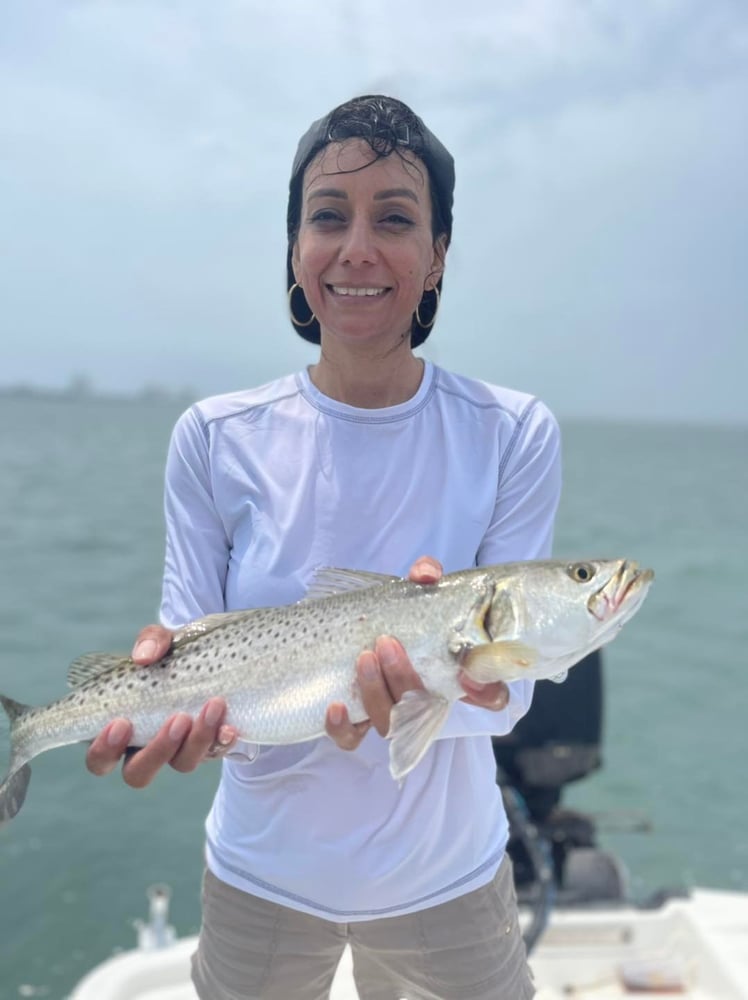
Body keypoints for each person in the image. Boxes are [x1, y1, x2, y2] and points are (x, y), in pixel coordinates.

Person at [86, 95, 561, 1000]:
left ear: (438, 256)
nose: (357, 248)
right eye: (328, 217)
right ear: (294, 250)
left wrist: (418, 679)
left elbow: (509, 694)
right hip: (260, 878)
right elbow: (190, 640)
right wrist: (173, 702)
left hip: (449, 880)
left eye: (395, 218)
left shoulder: (513, 431)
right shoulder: (213, 436)